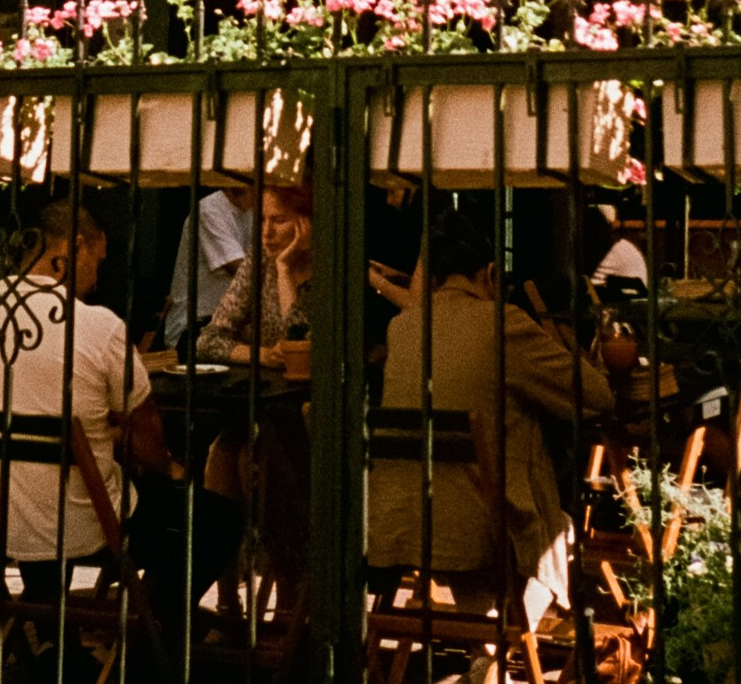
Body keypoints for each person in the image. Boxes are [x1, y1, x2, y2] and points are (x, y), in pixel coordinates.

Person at [0, 198, 239, 658]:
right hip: (86, 524)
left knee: (45, 486)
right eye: (97, 260)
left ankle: (54, 638)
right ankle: (153, 634)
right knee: (217, 518)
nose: (97, 276)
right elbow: (147, 431)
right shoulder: (95, 326)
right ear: (73, 248)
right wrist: (165, 467)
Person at [369, 208, 610, 613]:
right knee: (559, 528)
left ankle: (486, 657)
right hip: (484, 527)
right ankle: (494, 655)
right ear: (492, 273)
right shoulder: (503, 323)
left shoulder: (404, 327)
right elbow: (597, 397)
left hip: (400, 523)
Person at [197, 186, 311, 360]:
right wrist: (264, 355)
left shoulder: (332, 268)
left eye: (279, 220)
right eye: (262, 220)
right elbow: (207, 341)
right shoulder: (260, 259)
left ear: (307, 223)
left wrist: (284, 270)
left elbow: (300, 349)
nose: (267, 233)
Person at [161, 179, 256, 347]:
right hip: (193, 327)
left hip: (228, 324)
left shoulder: (253, 212)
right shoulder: (209, 210)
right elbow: (242, 271)